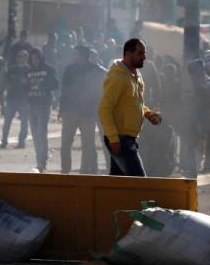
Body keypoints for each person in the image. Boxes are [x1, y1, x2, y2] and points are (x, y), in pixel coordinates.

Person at [98, 38, 161, 176]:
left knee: (119, 182)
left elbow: (134, 103)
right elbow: (104, 109)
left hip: (128, 138)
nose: (144, 57)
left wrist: (148, 113)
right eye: (140, 53)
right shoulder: (117, 78)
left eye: (144, 53)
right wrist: (113, 138)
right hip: (120, 139)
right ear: (128, 54)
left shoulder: (136, 76)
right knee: (138, 180)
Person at [59, 45, 106, 174]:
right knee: (66, 143)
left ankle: (84, 171)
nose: (74, 56)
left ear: (84, 55)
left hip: (88, 113)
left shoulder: (96, 70)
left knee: (88, 144)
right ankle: (65, 170)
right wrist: (61, 109)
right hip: (70, 111)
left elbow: (102, 89)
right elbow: (64, 90)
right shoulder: (69, 70)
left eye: (76, 54)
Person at [185, 59, 210, 175]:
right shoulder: (205, 80)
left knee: (208, 145)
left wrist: (198, 121)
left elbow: (202, 103)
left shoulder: (202, 83)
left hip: (209, 118)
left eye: (191, 72)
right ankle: (209, 166)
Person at [27, 48, 59, 172]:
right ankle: (38, 161)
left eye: (37, 58)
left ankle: (42, 162)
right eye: (33, 58)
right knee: (35, 134)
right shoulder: (28, 71)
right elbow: (24, 86)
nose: (35, 60)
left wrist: (44, 85)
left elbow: (56, 84)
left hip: (44, 105)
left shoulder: (49, 69)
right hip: (31, 105)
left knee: (41, 133)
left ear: (41, 58)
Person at [0, 49, 30, 148]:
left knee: (24, 122)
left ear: (26, 58)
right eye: (18, 56)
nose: (19, 58)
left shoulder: (29, 70)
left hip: (24, 99)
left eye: (22, 56)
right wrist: (3, 97)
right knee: (7, 122)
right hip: (11, 98)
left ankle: (21, 142)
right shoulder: (12, 69)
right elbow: (6, 83)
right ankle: (4, 141)